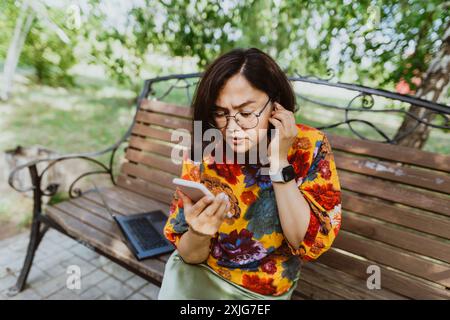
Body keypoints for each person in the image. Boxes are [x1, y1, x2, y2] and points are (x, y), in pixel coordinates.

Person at [158, 47, 342, 300]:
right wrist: (200, 233)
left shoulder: (310, 146)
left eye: (245, 113)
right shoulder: (205, 146)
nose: (232, 128)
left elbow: (304, 244)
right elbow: (189, 255)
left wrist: (278, 162)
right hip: (198, 275)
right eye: (221, 113)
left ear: (275, 103)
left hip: (261, 292)